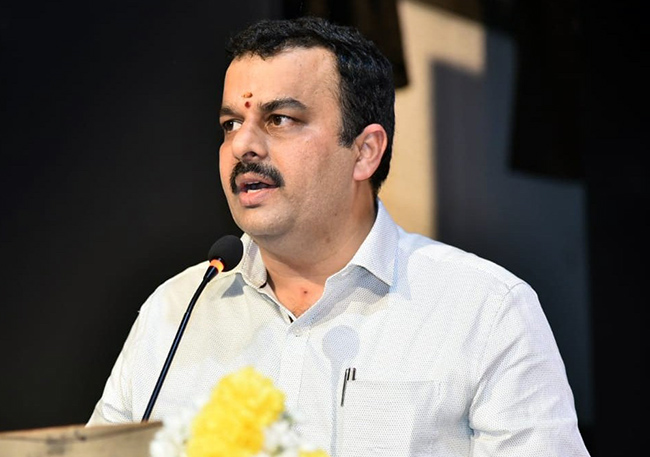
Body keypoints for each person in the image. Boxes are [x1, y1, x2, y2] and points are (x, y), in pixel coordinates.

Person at [88, 16, 591, 456]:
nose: (242, 145)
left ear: (365, 151)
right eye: (230, 123)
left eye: (280, 119)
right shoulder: (176, 311)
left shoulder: (484, 310)